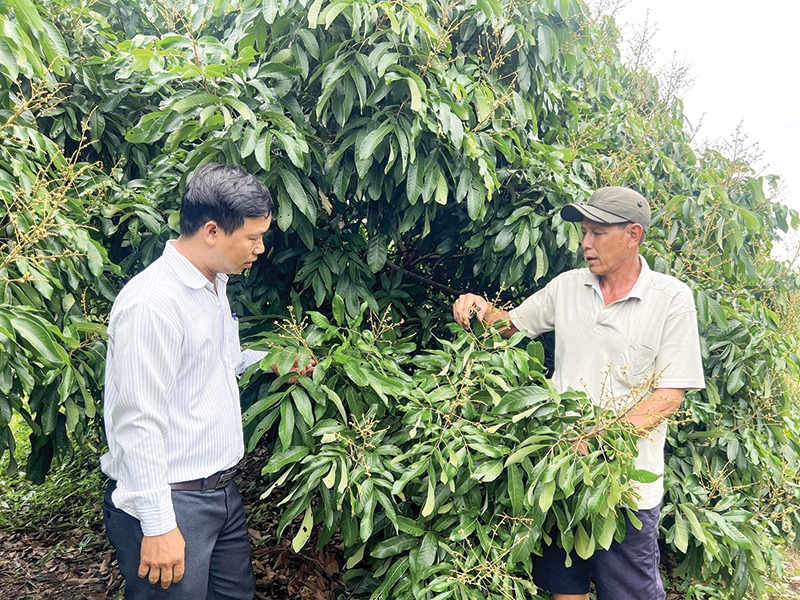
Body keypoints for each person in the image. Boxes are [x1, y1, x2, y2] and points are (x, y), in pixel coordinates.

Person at [453, 187, 705, 600]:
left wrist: (600, 440)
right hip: (559, 477)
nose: (585, 243)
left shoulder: (671, 299)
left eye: (598, 232)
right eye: (584, 232)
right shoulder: (568, 286)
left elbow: (669, 396)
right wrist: (477, 308)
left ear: (633, 234)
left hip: (625, 489)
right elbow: (507, 326)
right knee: (563, 587)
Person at [101, 163, 313, 599]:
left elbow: (219, 362)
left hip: (220, 494)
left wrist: (273, 361)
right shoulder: (152, 304)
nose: (259, 248)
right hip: (171, 503)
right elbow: (137, 421)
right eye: (252, 238)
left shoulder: (213, 283)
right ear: (212, 231)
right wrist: (159, 526)